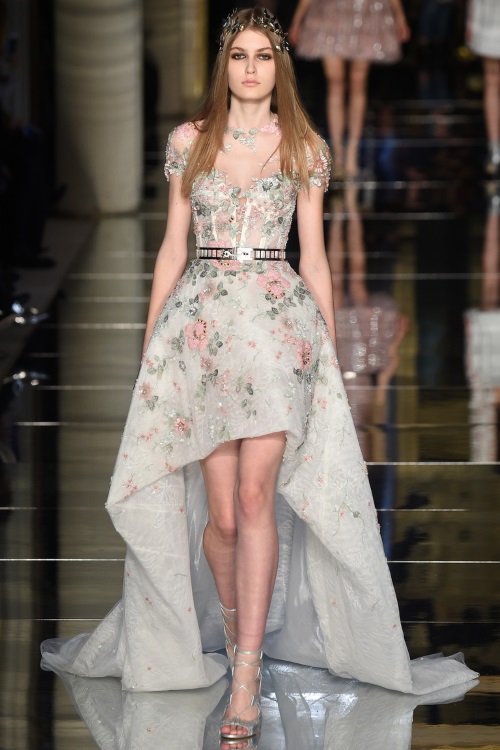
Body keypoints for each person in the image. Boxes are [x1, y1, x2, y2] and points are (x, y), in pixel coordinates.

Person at [41, 8, 477, 748]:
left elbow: (316, 257)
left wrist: (328, 352)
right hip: (202, 331)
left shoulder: (303, 145)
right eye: (240, 56)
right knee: (220, 517)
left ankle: (245, 672)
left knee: (254, 497)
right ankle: (239, 627)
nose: (251, 68)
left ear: (280, 66)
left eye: (263, 56)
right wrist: (152, 344)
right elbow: (172, 247)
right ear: (226, 65)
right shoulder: (190, 142)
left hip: (278, 328)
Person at [288, 0, 410, 180]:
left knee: (358, 83)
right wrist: (297, 19)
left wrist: (400, 16)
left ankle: (352, 151)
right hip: (331, 12)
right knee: (335, 82)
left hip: (365, 11)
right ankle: (337, 151)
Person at [467, 0, 500, 178]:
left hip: (488, 19)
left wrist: (471, 22)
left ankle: (495, 149)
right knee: (492, 82)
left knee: (492, 82)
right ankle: (494, 147)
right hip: (489, 19)